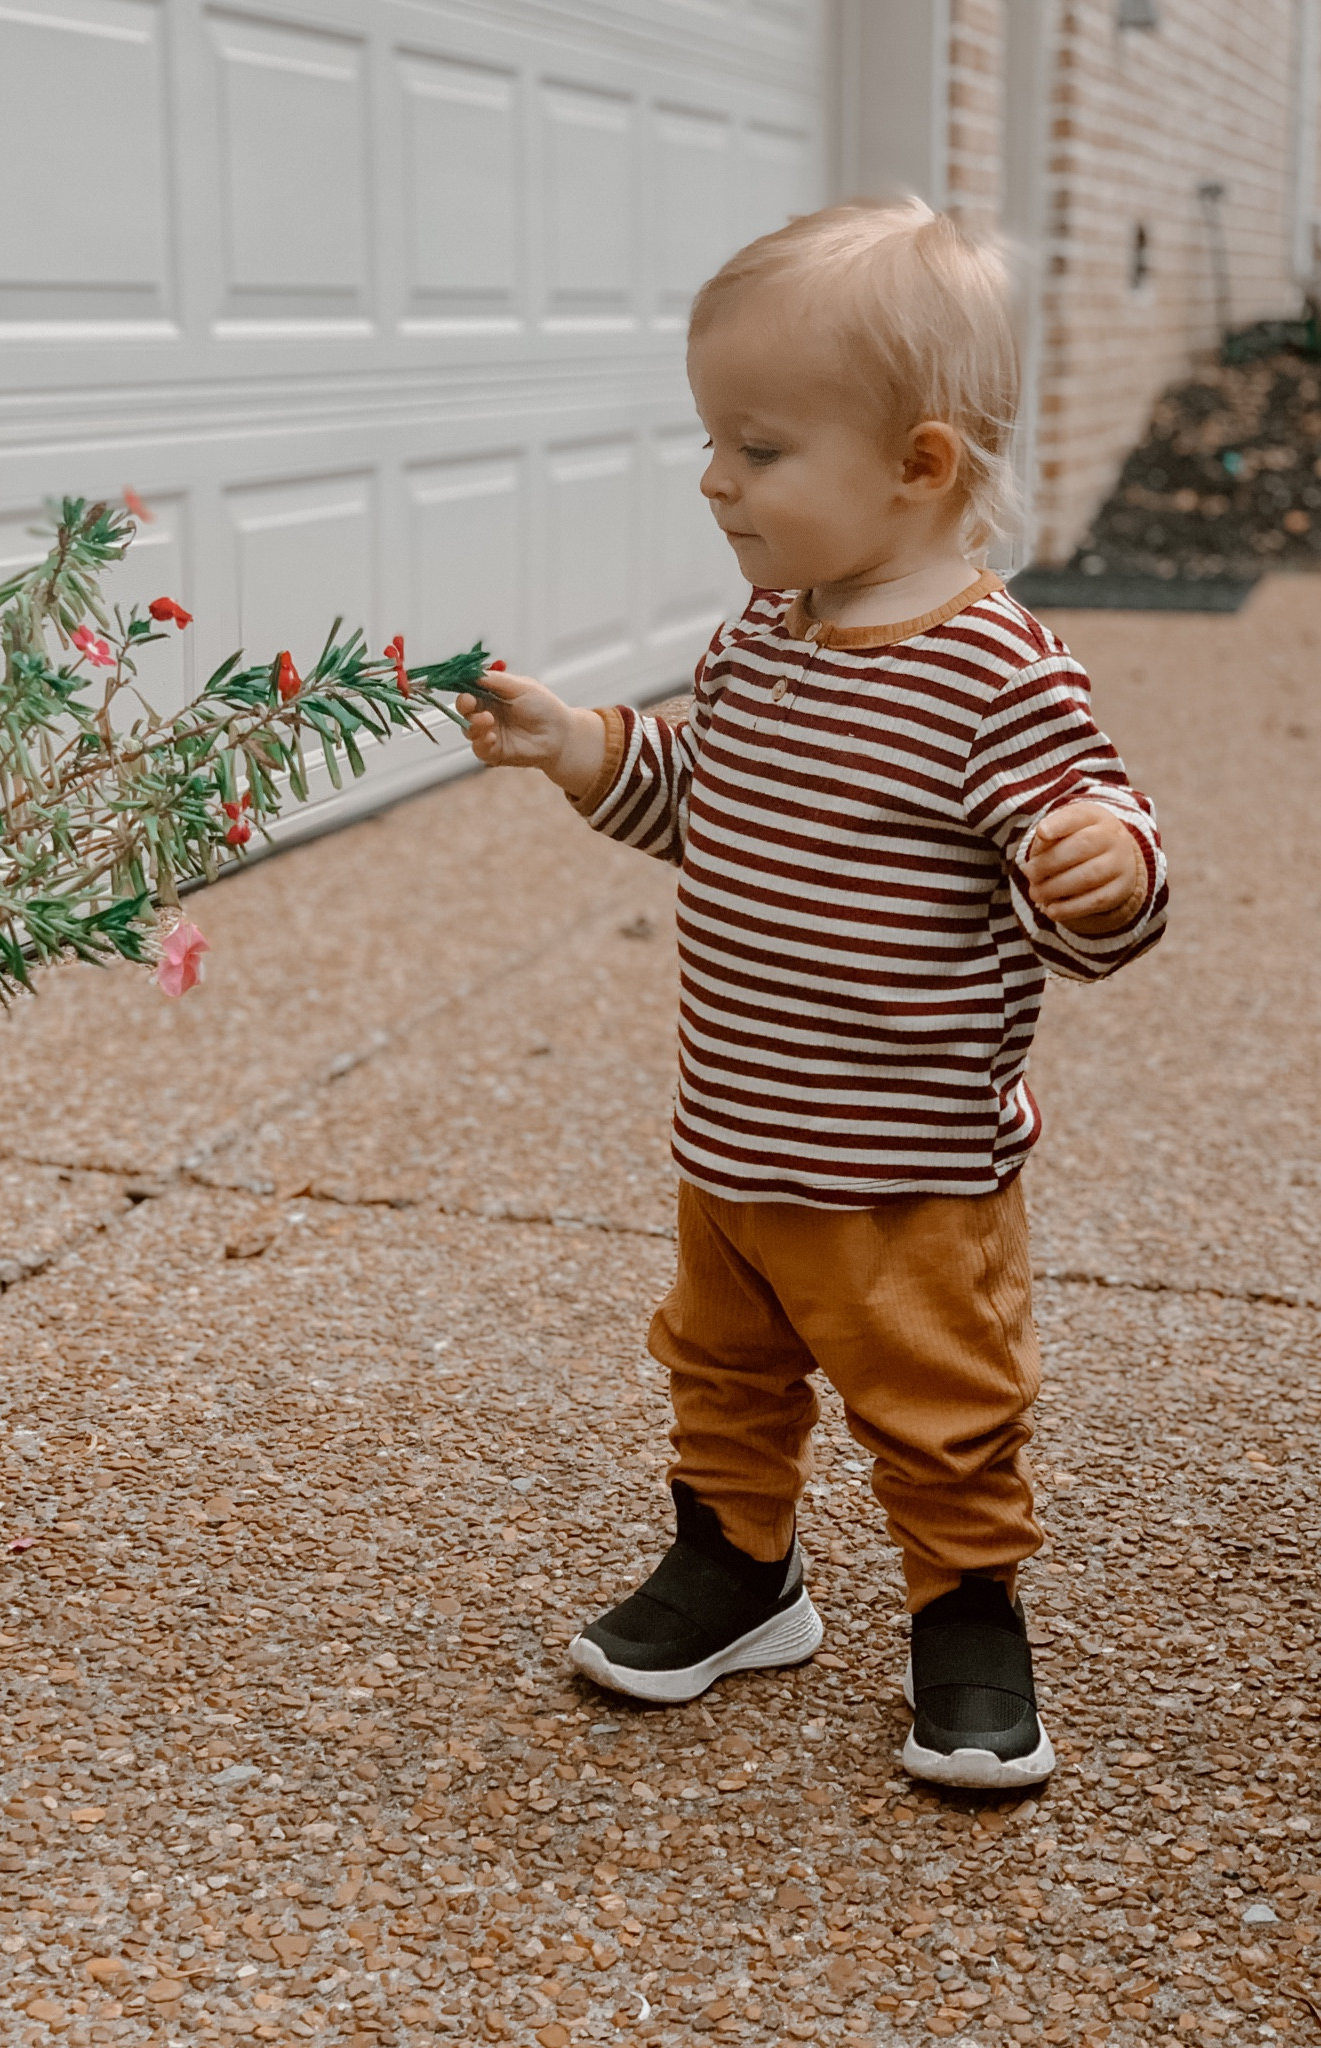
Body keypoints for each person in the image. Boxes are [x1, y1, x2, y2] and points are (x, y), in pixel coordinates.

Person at [457, 197, 1167, 1788]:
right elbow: (698, 798)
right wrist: (582, 746)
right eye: (714, 441)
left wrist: (1103, 861)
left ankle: (967, 1611)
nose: (715, 480)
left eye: (758, 450)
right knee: (722, 1371)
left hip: (905, 1164)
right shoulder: (757, 643)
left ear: (919, 466)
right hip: (736, 1137)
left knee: (939, 1401)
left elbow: (1097, 834)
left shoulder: (998, 674)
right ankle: (739, 1566)